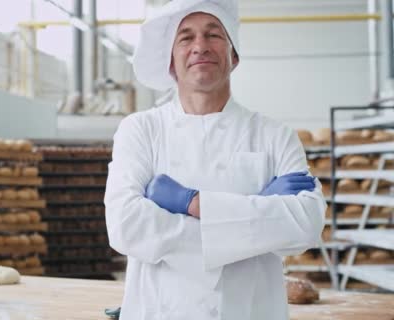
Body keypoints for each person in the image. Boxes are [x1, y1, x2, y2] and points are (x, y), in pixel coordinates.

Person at [104, 0, 326, 319]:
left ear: (233, 55)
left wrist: (192, 203)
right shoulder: (140, 130)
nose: (200, 46)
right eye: (186, 37)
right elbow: (126, 226)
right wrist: (257, 215)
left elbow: (307, 222)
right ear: (170, 61)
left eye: (213, 34)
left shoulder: (275, 135)